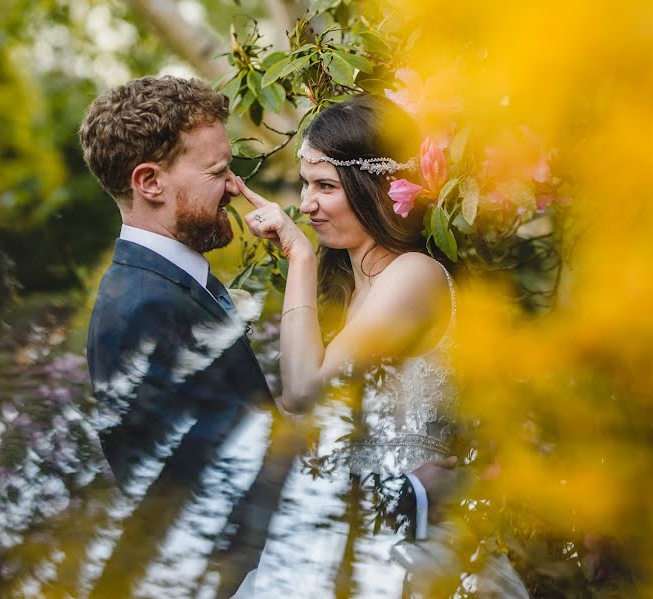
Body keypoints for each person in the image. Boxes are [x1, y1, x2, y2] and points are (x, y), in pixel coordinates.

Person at [234, 95, 468, 597]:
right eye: (305, 184)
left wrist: (300, 257)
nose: (306, 203)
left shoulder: (414, 276)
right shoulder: (355, 289)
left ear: (375, 188)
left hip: (406, 549)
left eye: (325, 186)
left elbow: (304, 393)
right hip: (347, 533)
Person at [80, 76, 275, 597]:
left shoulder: (170, 283)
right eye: (217, 171)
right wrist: (403, 495)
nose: (234, 186)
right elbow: (212, 495)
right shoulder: (145, 310)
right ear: (150, 182)